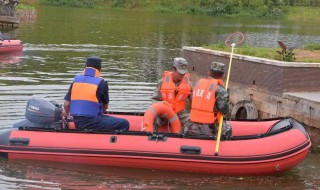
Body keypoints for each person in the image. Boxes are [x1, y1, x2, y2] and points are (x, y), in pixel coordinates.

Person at [62, 56, 129, 131]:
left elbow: (66, 104)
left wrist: (68, 116)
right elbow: (105, 107)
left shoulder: (76, 81)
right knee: (124, 123)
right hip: (92, 121)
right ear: (100, 69)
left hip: (77, 122)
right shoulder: (102, 83)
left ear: (85, 67)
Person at [183, 61, 232, 138]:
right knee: (228, 129)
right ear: (222, 75)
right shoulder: (220, 90)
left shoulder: (198, 84)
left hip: (191, 125)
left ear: (209, 72)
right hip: (209, 127)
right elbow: (225, 111)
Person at [152, 57, 193, 132]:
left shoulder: (188, 84)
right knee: (153, 118)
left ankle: (183, 138)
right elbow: (155, 100)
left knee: (192, 122)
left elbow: (194, 100)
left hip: (181, 114)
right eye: (180, 73)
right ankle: (152, 139)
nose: (182, 75)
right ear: (173, 70)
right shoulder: (162, 82)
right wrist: (161, 112)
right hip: (164, 114)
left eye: (184, 73)